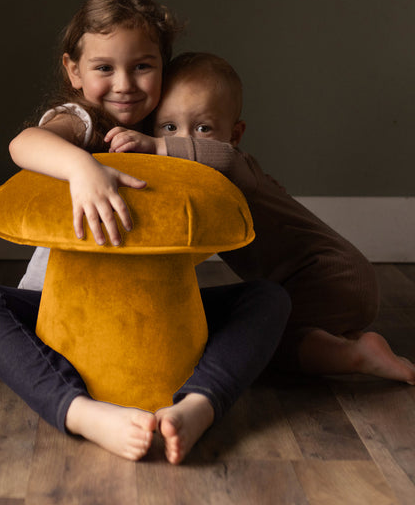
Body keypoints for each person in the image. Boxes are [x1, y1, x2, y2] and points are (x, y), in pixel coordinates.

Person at [0, 0, 291, 465]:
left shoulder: (166, 128)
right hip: (57, 306)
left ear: (163, 68)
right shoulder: (83, 121)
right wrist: (83, 168)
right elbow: (24, 144)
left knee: (268, 299)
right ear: (73, 71)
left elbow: (224, 161)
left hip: (158, 310)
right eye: (104, 67)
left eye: (143, 66)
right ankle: (79, 411)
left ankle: (198, 404)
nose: (124, 84)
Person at [106, 51, 415, 384]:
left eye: (203, 128)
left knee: (249, 342)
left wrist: (156, 145)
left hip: (331, 276)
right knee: (267, 333)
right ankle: (345, 342)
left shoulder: (233, 164)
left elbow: (221, 158)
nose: (182, 140)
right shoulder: (220, 177)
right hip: (322, 281)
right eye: (169, 127)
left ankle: (354, 356)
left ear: (235, 136)